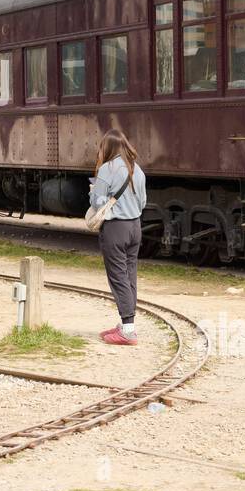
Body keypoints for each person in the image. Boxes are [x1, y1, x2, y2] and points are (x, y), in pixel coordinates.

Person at [90, 128, 147, 346]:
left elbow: (97, 203)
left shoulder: (107, 169)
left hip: (116, 228)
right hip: (135, 227)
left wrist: (93, 192)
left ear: (108, 147)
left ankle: (128, 331)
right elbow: (142, 202)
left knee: (118, 277)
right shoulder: (137, 169)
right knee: (129, 274)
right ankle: (126, 326)